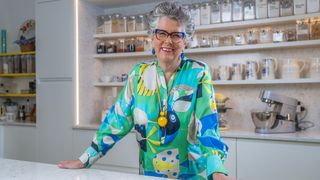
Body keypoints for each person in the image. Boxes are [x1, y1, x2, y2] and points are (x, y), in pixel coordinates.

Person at [58, 1, 230, 179]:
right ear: (152, 37)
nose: (168, 41)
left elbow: (207, 126)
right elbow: (116, 121)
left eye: (177, 35)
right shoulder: (138, 74)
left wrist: (216, 170)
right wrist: (85, 159)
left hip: (189, 175)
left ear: (185, 41)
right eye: (161, 33)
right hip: (148, 175)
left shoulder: (198, 73)